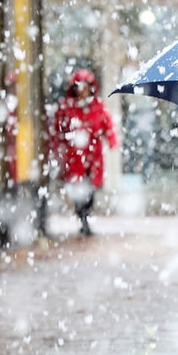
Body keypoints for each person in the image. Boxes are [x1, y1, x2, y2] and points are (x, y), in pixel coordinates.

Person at [51, 68, 119, 235]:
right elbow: (57, 129)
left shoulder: (97, 107)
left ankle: (85, 215)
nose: (82, 91)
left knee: (90, 189)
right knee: (77, 189)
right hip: (74, 157)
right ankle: (82, 217)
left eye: (85, 87)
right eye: (79, 87)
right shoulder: (67, 107)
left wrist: (112, 141)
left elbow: (107, 125)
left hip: (93, 156)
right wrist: (58, 147)